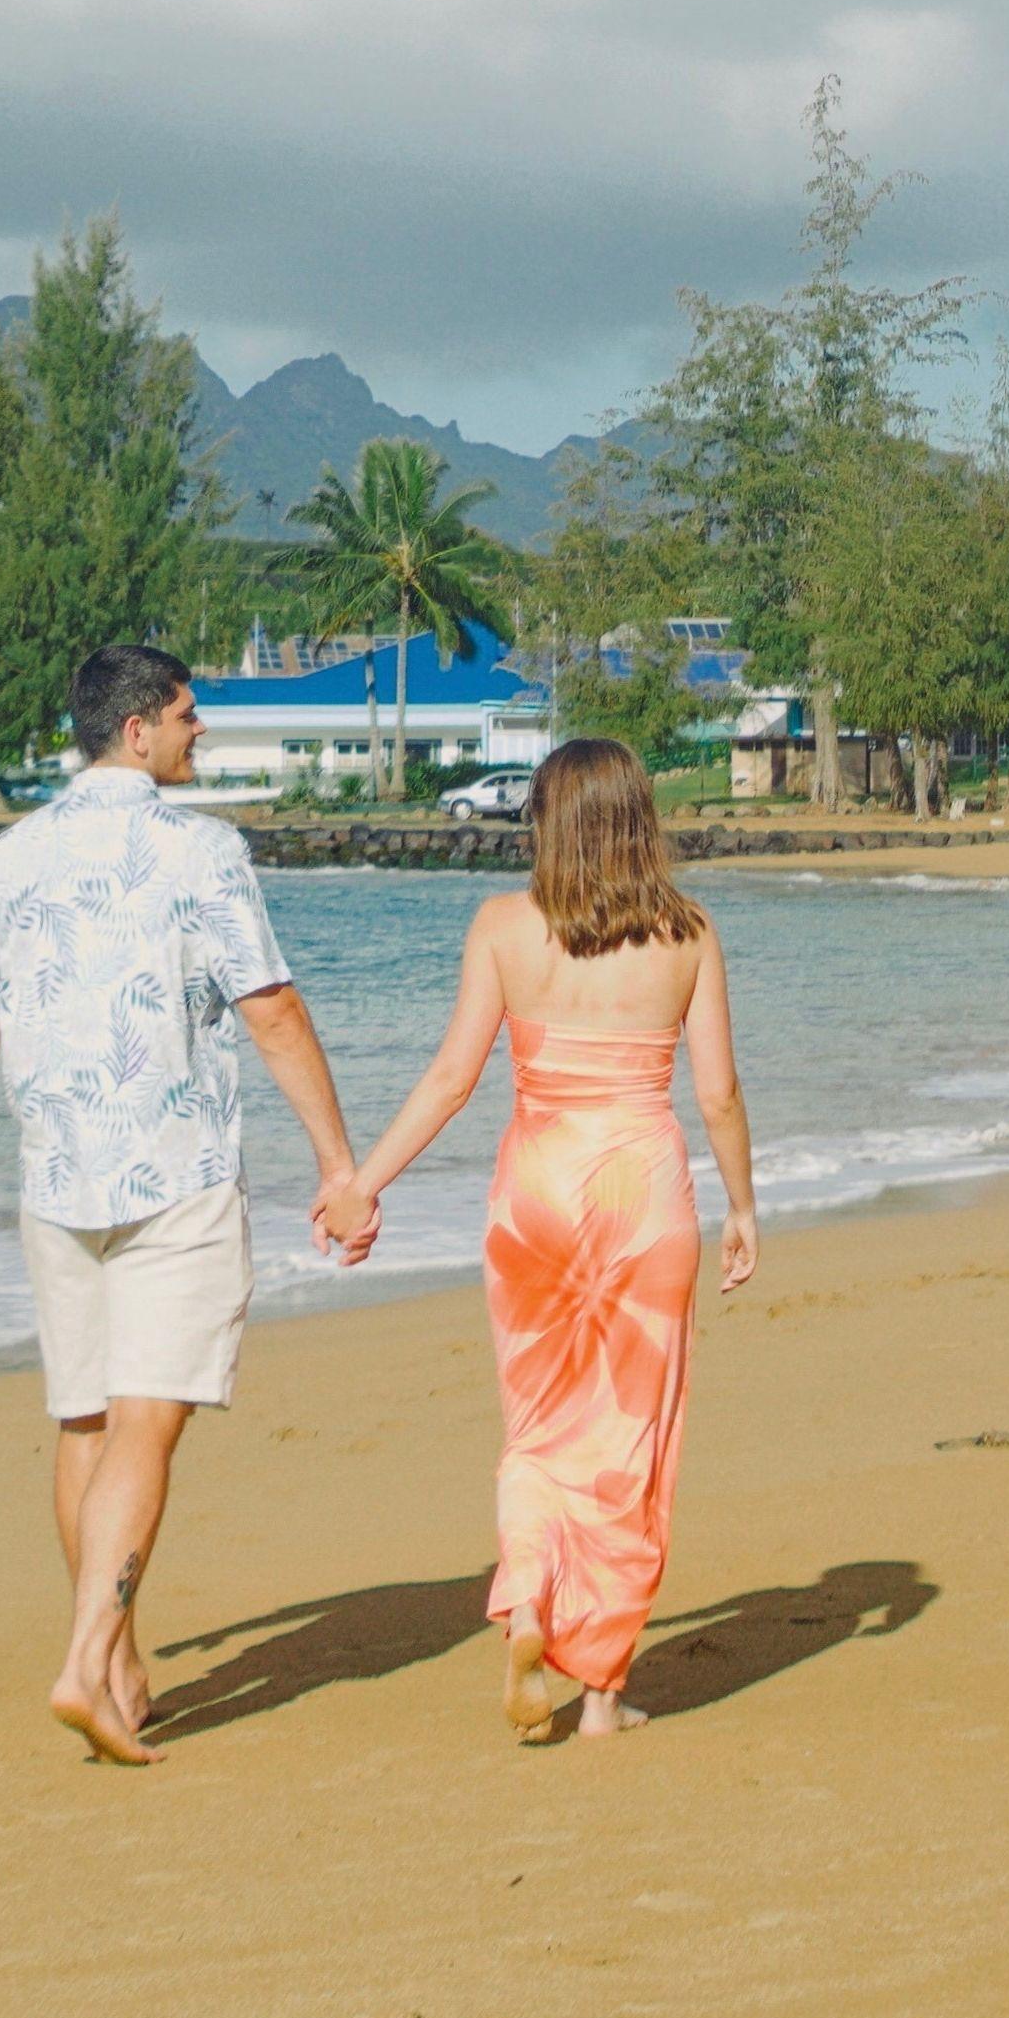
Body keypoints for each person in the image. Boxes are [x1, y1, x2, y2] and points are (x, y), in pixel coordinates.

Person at [0, 642, 379, 1767]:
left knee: (85, 1422)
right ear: (137, 731)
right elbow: (270, 1008)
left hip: (55, 1184)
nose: (197, 733)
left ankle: (116, 1665)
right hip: (174, 1176)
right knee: (146, 1420)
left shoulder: (12, 856)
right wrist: (338, 1163)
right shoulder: (202, 848)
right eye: (185, 716)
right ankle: (86, 1660)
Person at [333, 735, 758, 1744]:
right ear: (638, 820)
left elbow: (449, 1080)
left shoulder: (501, 926)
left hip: (536, 1199)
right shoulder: (689, 932)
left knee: (538, 1430)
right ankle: (602, 1695)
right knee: (627, 1442)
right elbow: (718, 1093)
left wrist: (360, 1184)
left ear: (547, 821)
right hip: (642, 1196)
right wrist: (743, 1206)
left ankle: (530, 1603)